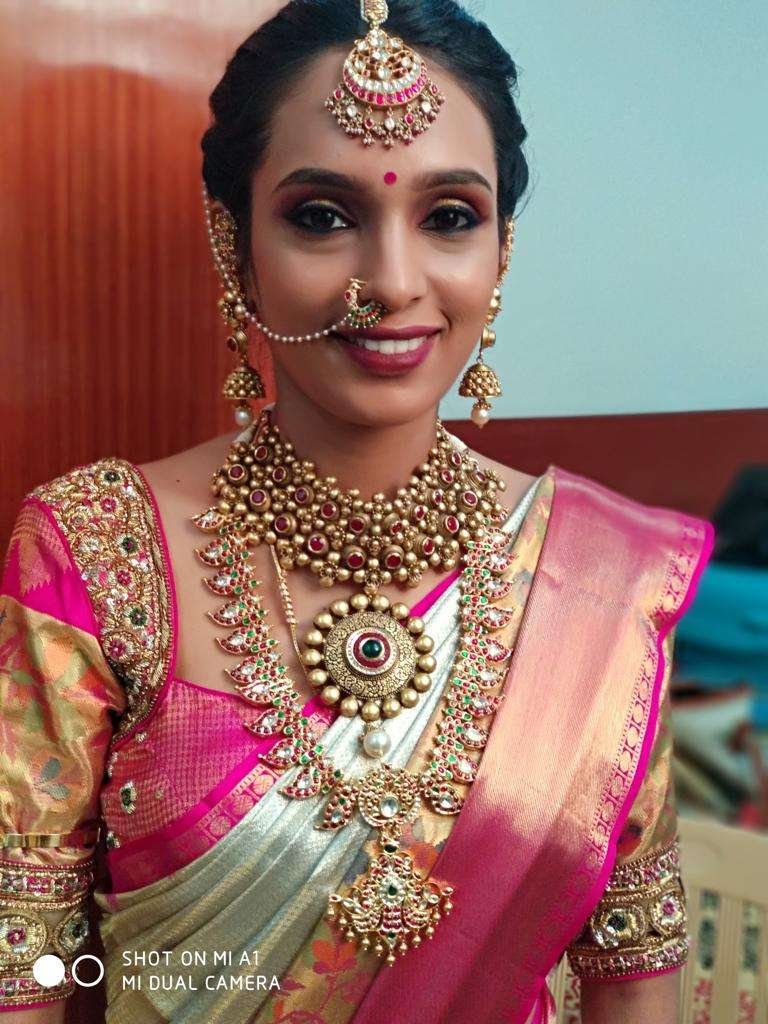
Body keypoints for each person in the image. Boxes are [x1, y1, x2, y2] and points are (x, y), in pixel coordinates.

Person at [0, 1, 715, 1021]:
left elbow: (635, 958)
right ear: (235, 244)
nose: (391, 281)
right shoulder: (95, 549)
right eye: (322, 217)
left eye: (450, 217)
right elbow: (23, 959)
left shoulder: (598, 577)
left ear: (501, 249)